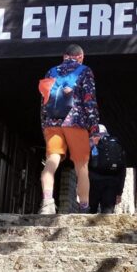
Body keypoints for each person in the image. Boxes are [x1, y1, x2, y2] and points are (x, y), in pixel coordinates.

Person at [37, 44, 100, 214]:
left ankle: (47, 203)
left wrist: (45, 125)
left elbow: (44, 101)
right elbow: (89, 101)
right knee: (81, 166)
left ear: (64, 56)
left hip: (53, 123)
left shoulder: (51, 72)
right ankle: (84, 207)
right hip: (76, 122)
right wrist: (94, 129)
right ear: (80, 56)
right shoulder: (85, 71)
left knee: (52, 160)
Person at [87, 124, 127, 214]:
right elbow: (122, 170)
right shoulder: (116, 144)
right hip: (112, 183)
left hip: (93, 182)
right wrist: (119, 192)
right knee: (107, 213)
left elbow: (83, 165)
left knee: (90, 212)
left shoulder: (91, 142)